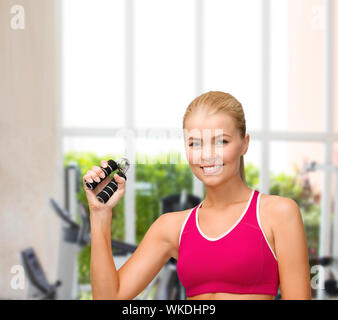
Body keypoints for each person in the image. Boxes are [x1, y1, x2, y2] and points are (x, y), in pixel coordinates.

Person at [83, 91, 312, 300]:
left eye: (221, 141)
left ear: (244, 144)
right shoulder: (171, 227)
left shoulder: (278, 214)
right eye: (195, 143)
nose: (207, 155)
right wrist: (100, 214)